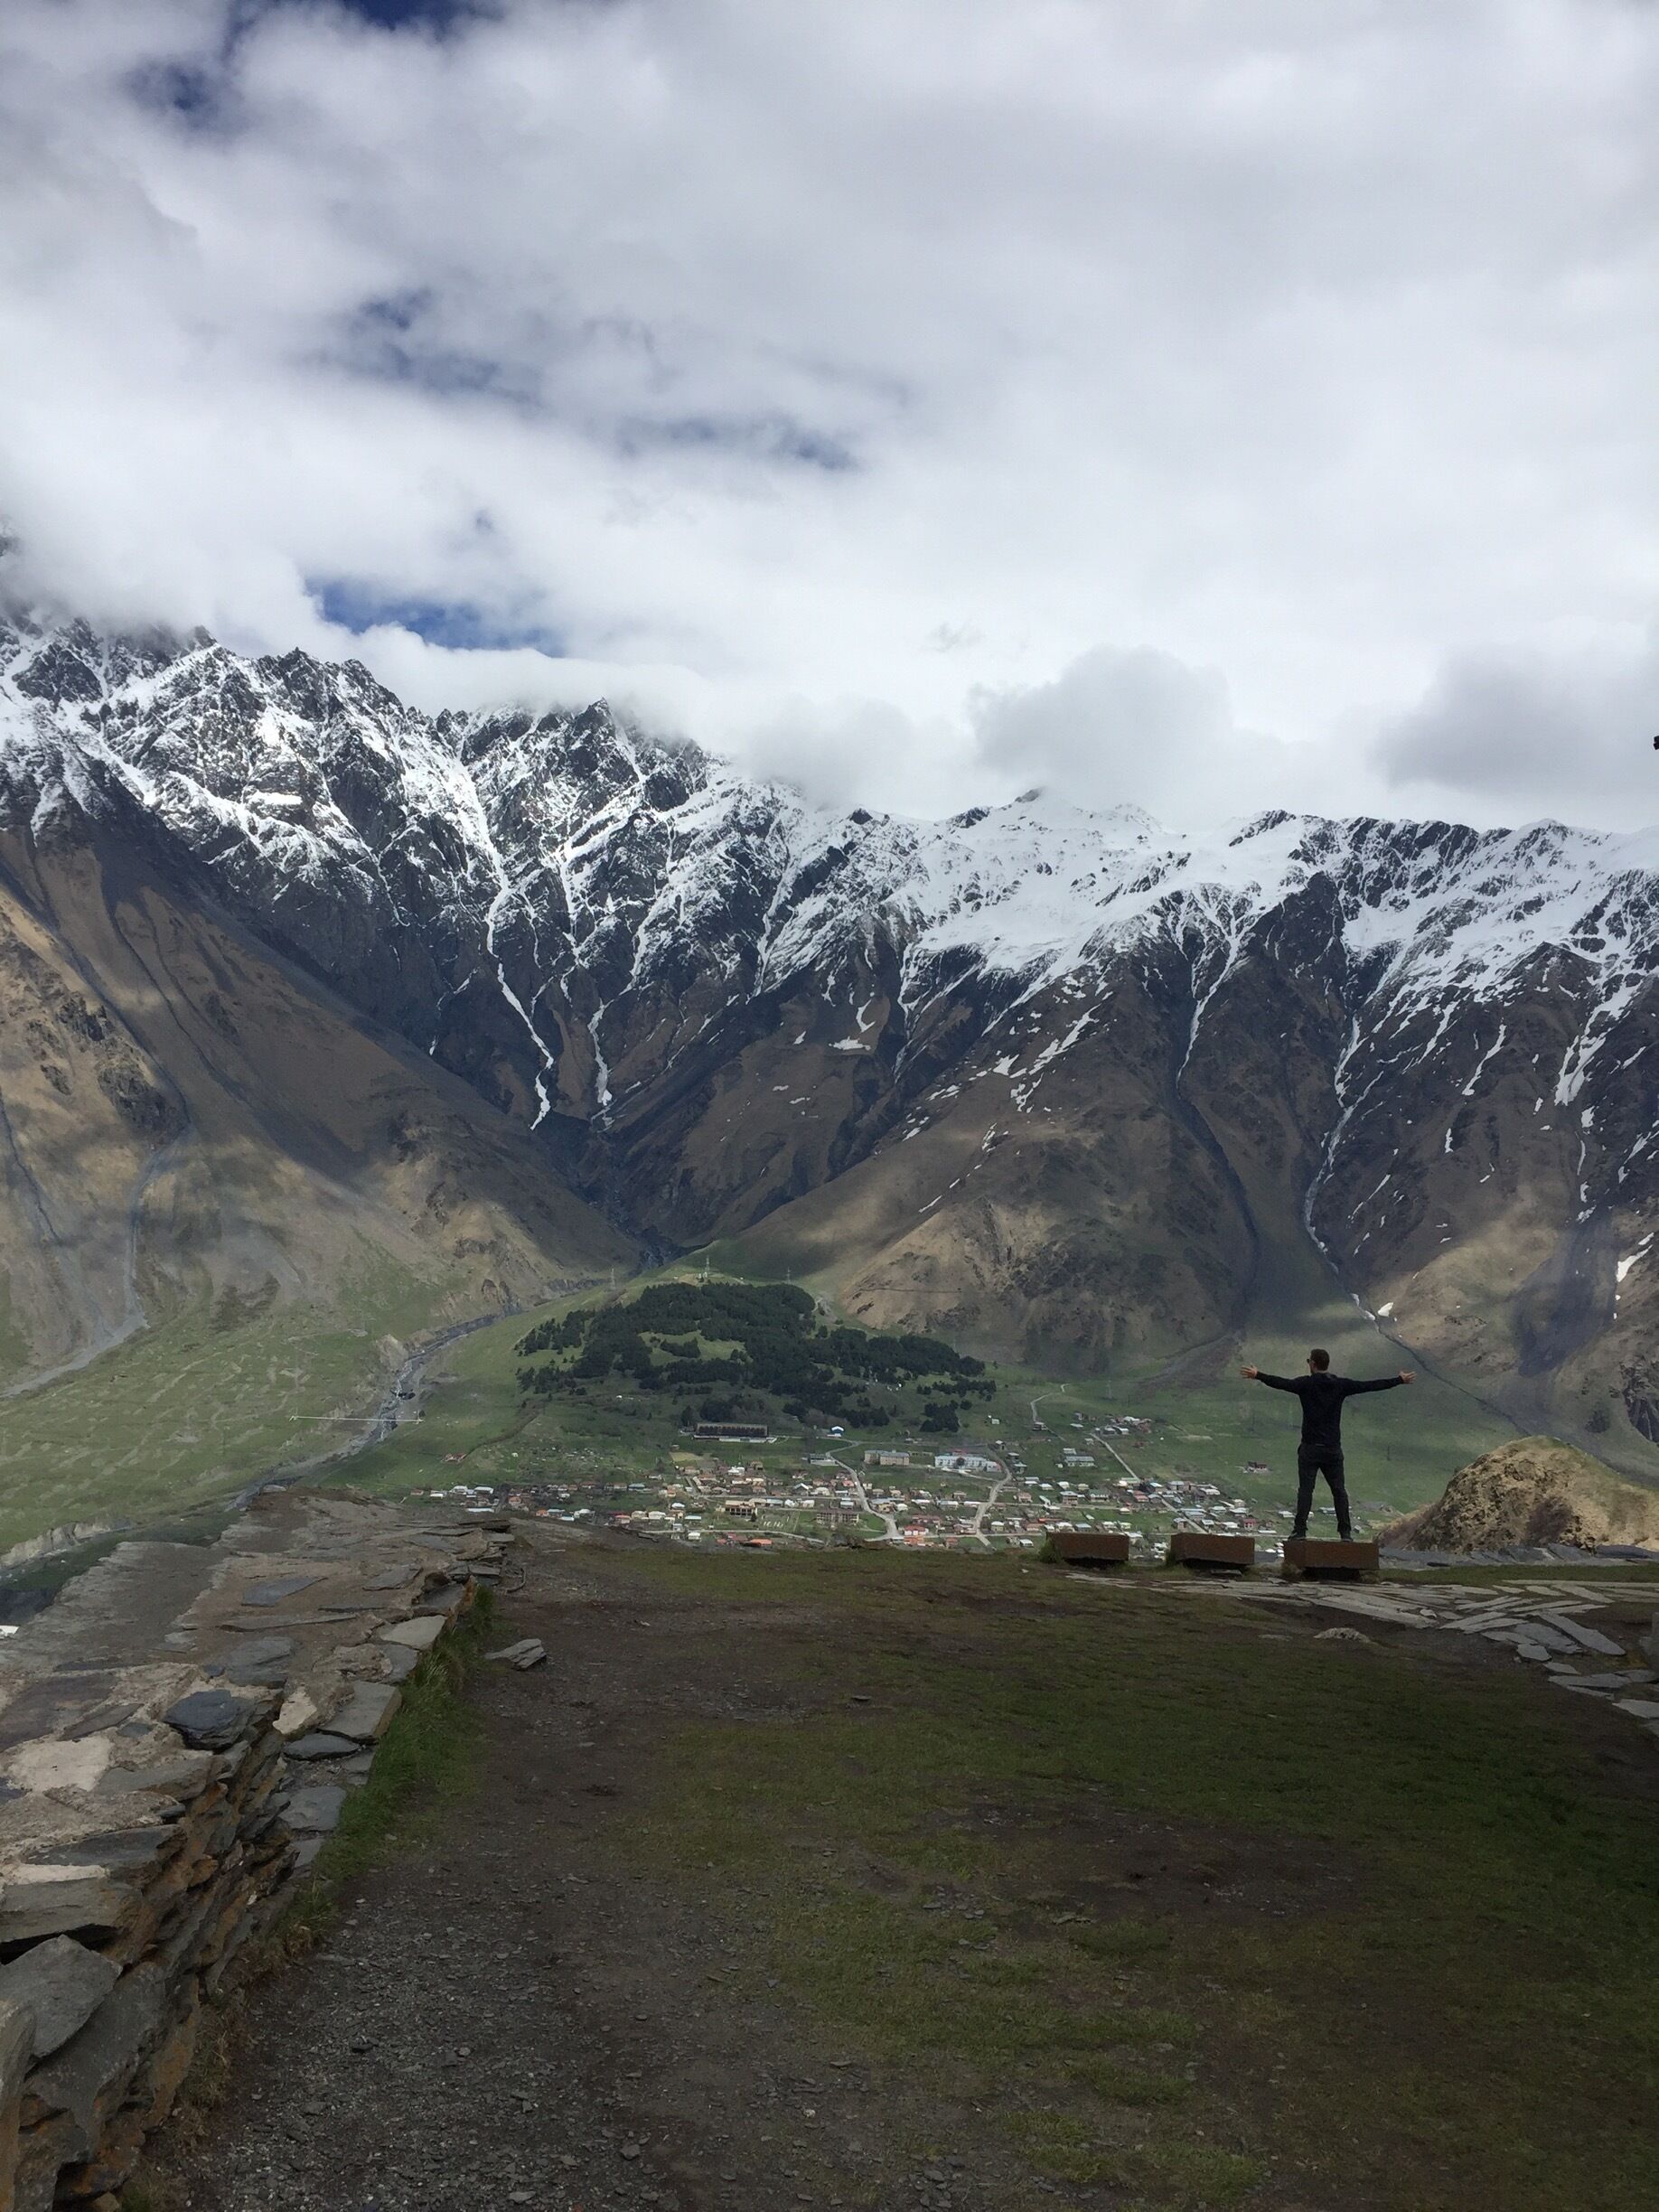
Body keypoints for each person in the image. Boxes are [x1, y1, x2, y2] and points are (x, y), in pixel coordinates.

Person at [1238, 1349, 1413, 1542]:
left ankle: (1300, 1531)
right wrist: (1398, 1380)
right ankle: (1345, 1534)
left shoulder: (1305, 1384)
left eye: (1309, 1361)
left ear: (1313, 1364)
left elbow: (1282, 1383)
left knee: (1306, 1491)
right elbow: (1370, 1385)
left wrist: (1258, 1375)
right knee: (1339, 1491)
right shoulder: (1340, 1385)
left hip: (1310, 1448)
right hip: (1332, 1449)